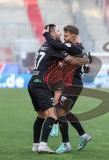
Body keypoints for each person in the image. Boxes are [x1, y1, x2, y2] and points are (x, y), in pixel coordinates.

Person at [29, 24, 88, 153]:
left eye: (65, 35)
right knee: (61, 112)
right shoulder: (59, 46)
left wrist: (86, 60)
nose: (63, 36)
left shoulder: (74, 47)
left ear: (73, 36)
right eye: (60, 33)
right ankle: (80, 136)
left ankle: (67, 142)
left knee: (59, 112)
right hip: (63, 83)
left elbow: (63, 50)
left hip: (72, 84)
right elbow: (59, 47)